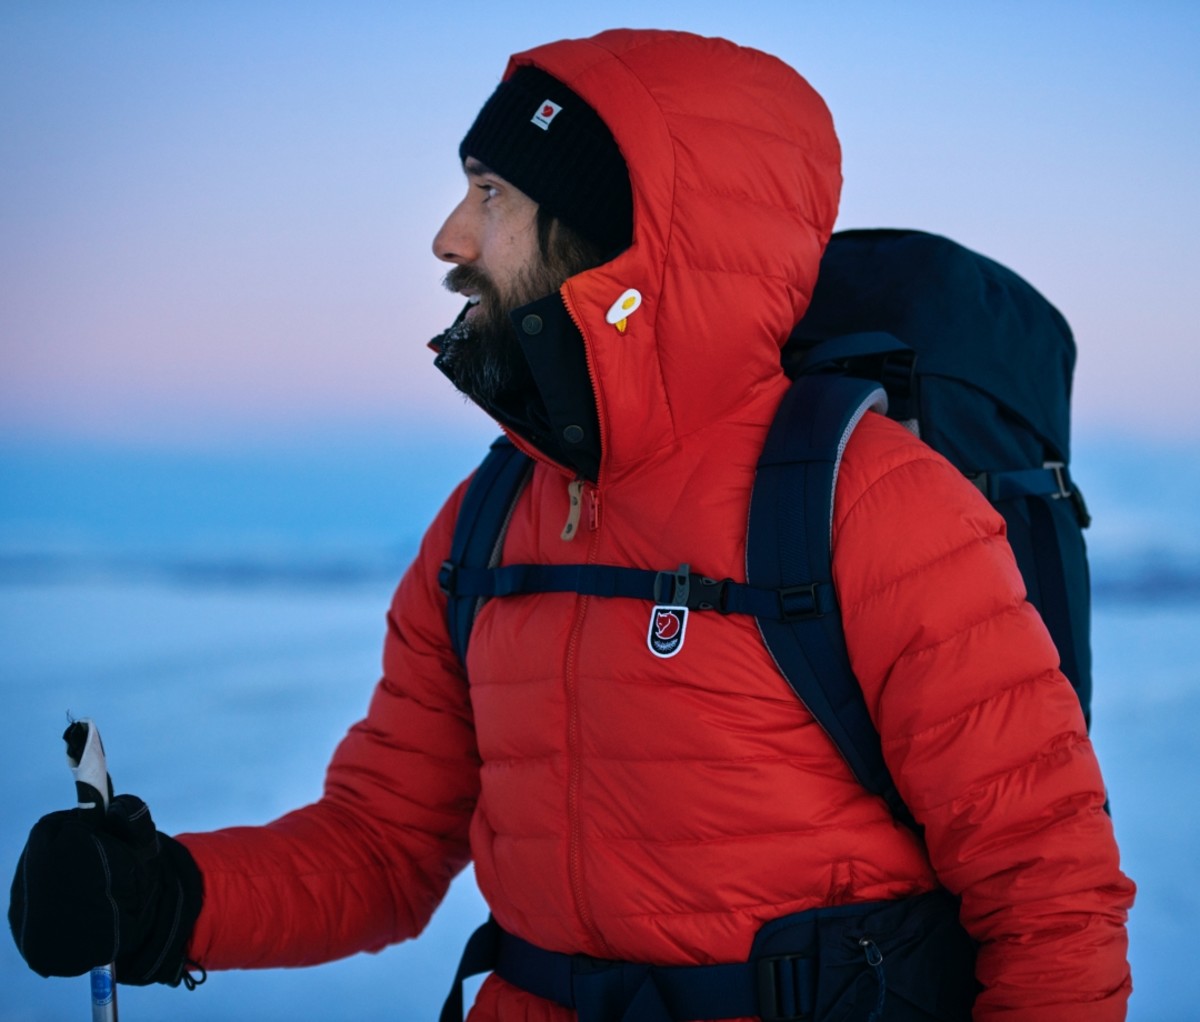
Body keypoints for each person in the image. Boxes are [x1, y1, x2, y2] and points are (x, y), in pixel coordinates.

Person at [9, 28, 1134, 1021]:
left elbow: (1051, 900)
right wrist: (166, 897)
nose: (450, 236)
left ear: (619, 239)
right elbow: (385, 846)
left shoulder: (872, 502)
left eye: (492, 193)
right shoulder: (488, 519)